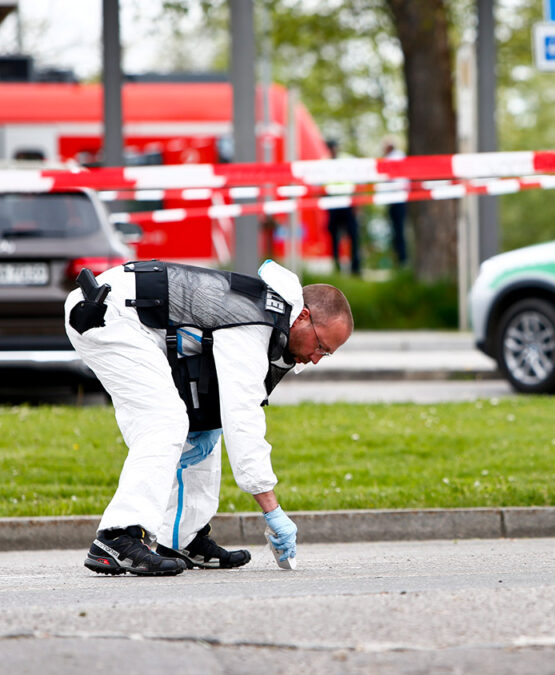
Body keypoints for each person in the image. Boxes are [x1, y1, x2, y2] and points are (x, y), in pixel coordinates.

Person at [63, 259, 353, 576]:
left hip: (132, 316)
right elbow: (243, 419)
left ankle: (182, 537)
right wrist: (272, 510)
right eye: (322, 347)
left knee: (203, 424)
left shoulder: (267, 312)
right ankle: (118, 536)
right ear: (304, 317)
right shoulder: (254, 322)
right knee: (164, 422)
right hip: (108, 315)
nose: (314, 359)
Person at [325, 138, 362, 276]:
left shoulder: (347, 160)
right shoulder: (324, 163)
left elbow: (357, 181)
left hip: (347, 203)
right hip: (333, 203)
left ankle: (356, 267)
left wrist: (356, 202)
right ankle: (336, 266)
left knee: (353, 236)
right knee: (334, 237)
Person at [382, 137, 408, 266]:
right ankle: (400, 259)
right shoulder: (399, 157)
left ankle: (401, 259)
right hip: (397, 199)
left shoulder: (393, 158)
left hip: (397, 199)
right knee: (398, 231)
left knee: (399, 231)